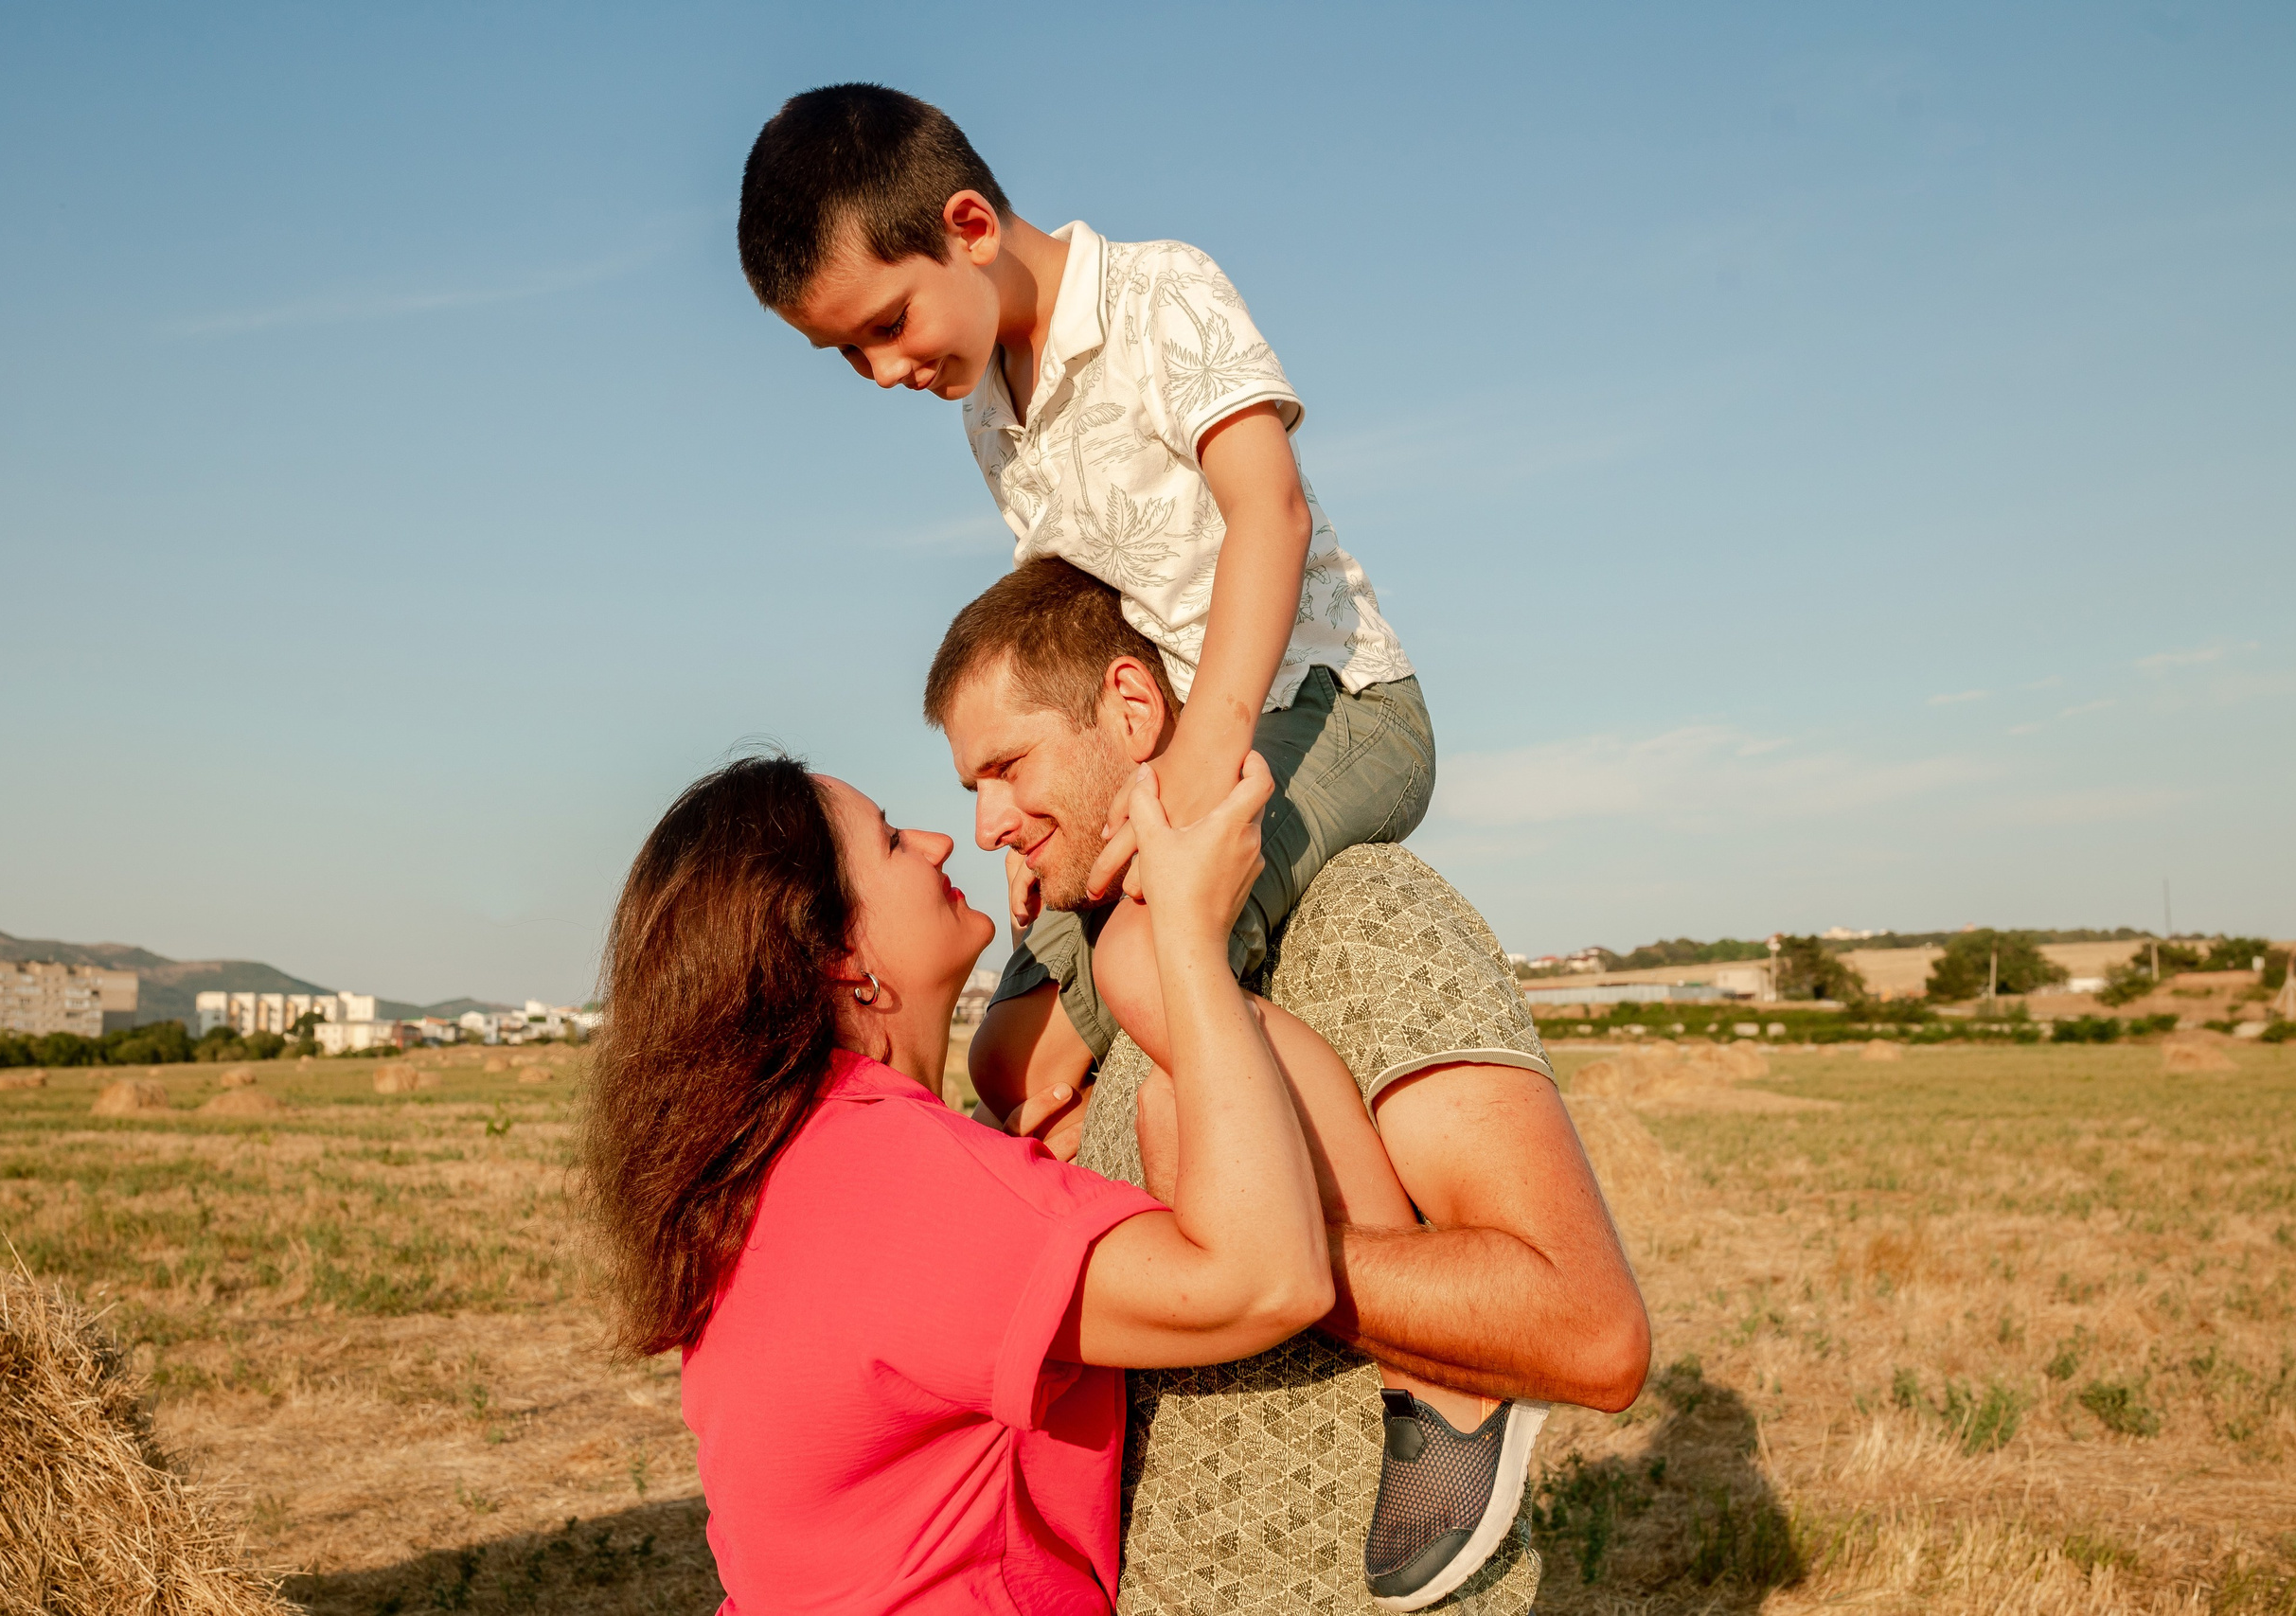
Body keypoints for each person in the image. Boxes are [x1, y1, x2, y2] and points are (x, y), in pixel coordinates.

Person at [736, 85, 1527, 1601]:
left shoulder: (1158, 290)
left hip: (1317, 703)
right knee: (1013, 1057)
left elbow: (1269, 512)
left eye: (887, 324)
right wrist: (1046, 822)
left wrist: (1189, 798)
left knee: (1163, 978)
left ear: (967, 227)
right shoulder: (995, 411)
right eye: (849, 356)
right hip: (1155, 754)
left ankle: (1451, 1378)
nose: (884, 368)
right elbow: (1066, 635)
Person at [927, 568, 1653, 1612]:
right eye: (970, 792)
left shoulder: (1361, 912)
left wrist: (1266, 1250)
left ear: (1132, 708)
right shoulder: (1117, 984)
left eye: (1007, 767)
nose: (990, 823)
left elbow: (1587, 1330)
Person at [578, 749, 1337, 1612]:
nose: (942, 841)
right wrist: (1191, 941)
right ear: (832, 946)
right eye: (894, 841)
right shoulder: (888, 1175)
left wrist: (998, 1168)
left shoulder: (782, 1163)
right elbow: (1266, 1280)